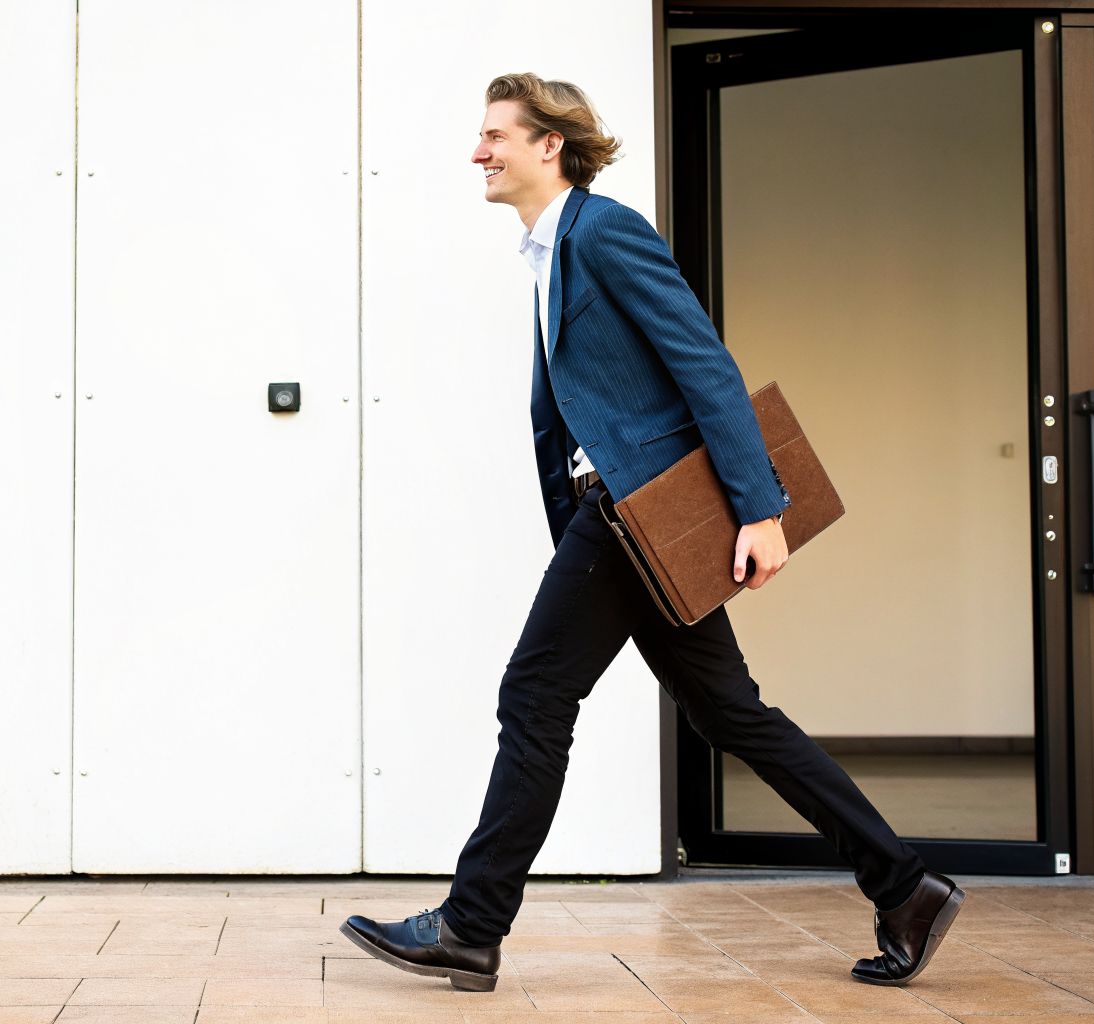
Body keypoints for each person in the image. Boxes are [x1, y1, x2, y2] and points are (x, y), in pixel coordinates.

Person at [338, 72, 964, 994]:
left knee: (537, 696)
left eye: (494, 136)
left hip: (637, 513)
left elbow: (704, 362)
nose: (478, 152)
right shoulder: (549, 254)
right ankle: (905, 887)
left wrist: (761, 509)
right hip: (625, 524)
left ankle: (471, 927)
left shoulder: (605, 231)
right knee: (728, 713)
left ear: (548, 145)